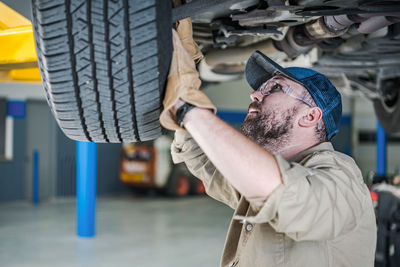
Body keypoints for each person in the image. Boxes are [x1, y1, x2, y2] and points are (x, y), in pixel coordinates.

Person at [160, 19, 377, 267]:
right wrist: (179, 95)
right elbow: (211, 166)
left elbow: (295, 201)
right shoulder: (270, 172)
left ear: (310, 116)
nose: (254, 94)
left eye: (274, 88)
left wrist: (188, 109)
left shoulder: (341, 173)